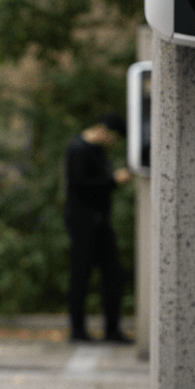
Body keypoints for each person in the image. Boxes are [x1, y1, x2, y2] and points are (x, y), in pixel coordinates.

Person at [64, 113, 133, 343]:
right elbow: (80, 184)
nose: (114, 142)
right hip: (83, 222)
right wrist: (114, 181)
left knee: (113, 275)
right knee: (81, 276)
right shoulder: (78, 149)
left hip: (101, 220)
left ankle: (112, 330)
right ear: (104, 130)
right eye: (114, 137)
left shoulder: (97, 150)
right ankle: (78, 330)